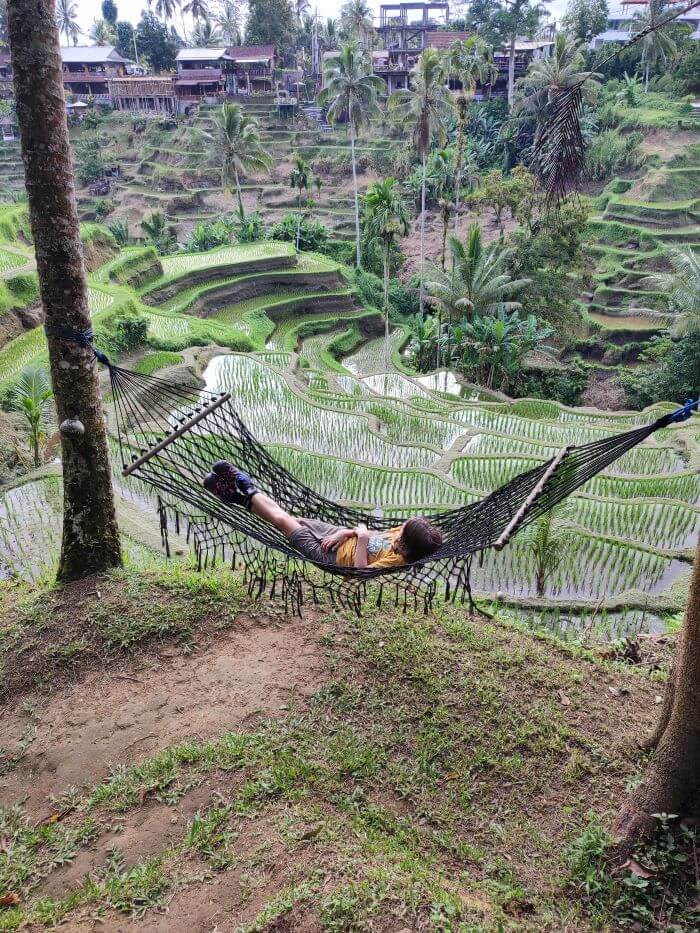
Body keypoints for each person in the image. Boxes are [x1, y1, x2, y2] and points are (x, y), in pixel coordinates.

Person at [203, 461, 444, 570]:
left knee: (284, 521)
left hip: (332, 559)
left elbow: (359, 572)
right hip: (338, 537)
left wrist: (359, 538)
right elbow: (364, 532)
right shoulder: (403, 538)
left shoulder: (397, 560)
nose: (400, 526)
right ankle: (237, 496)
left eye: (403, 528)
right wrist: (346, 532)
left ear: (405, 542)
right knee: (290, 519)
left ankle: (244, 485)